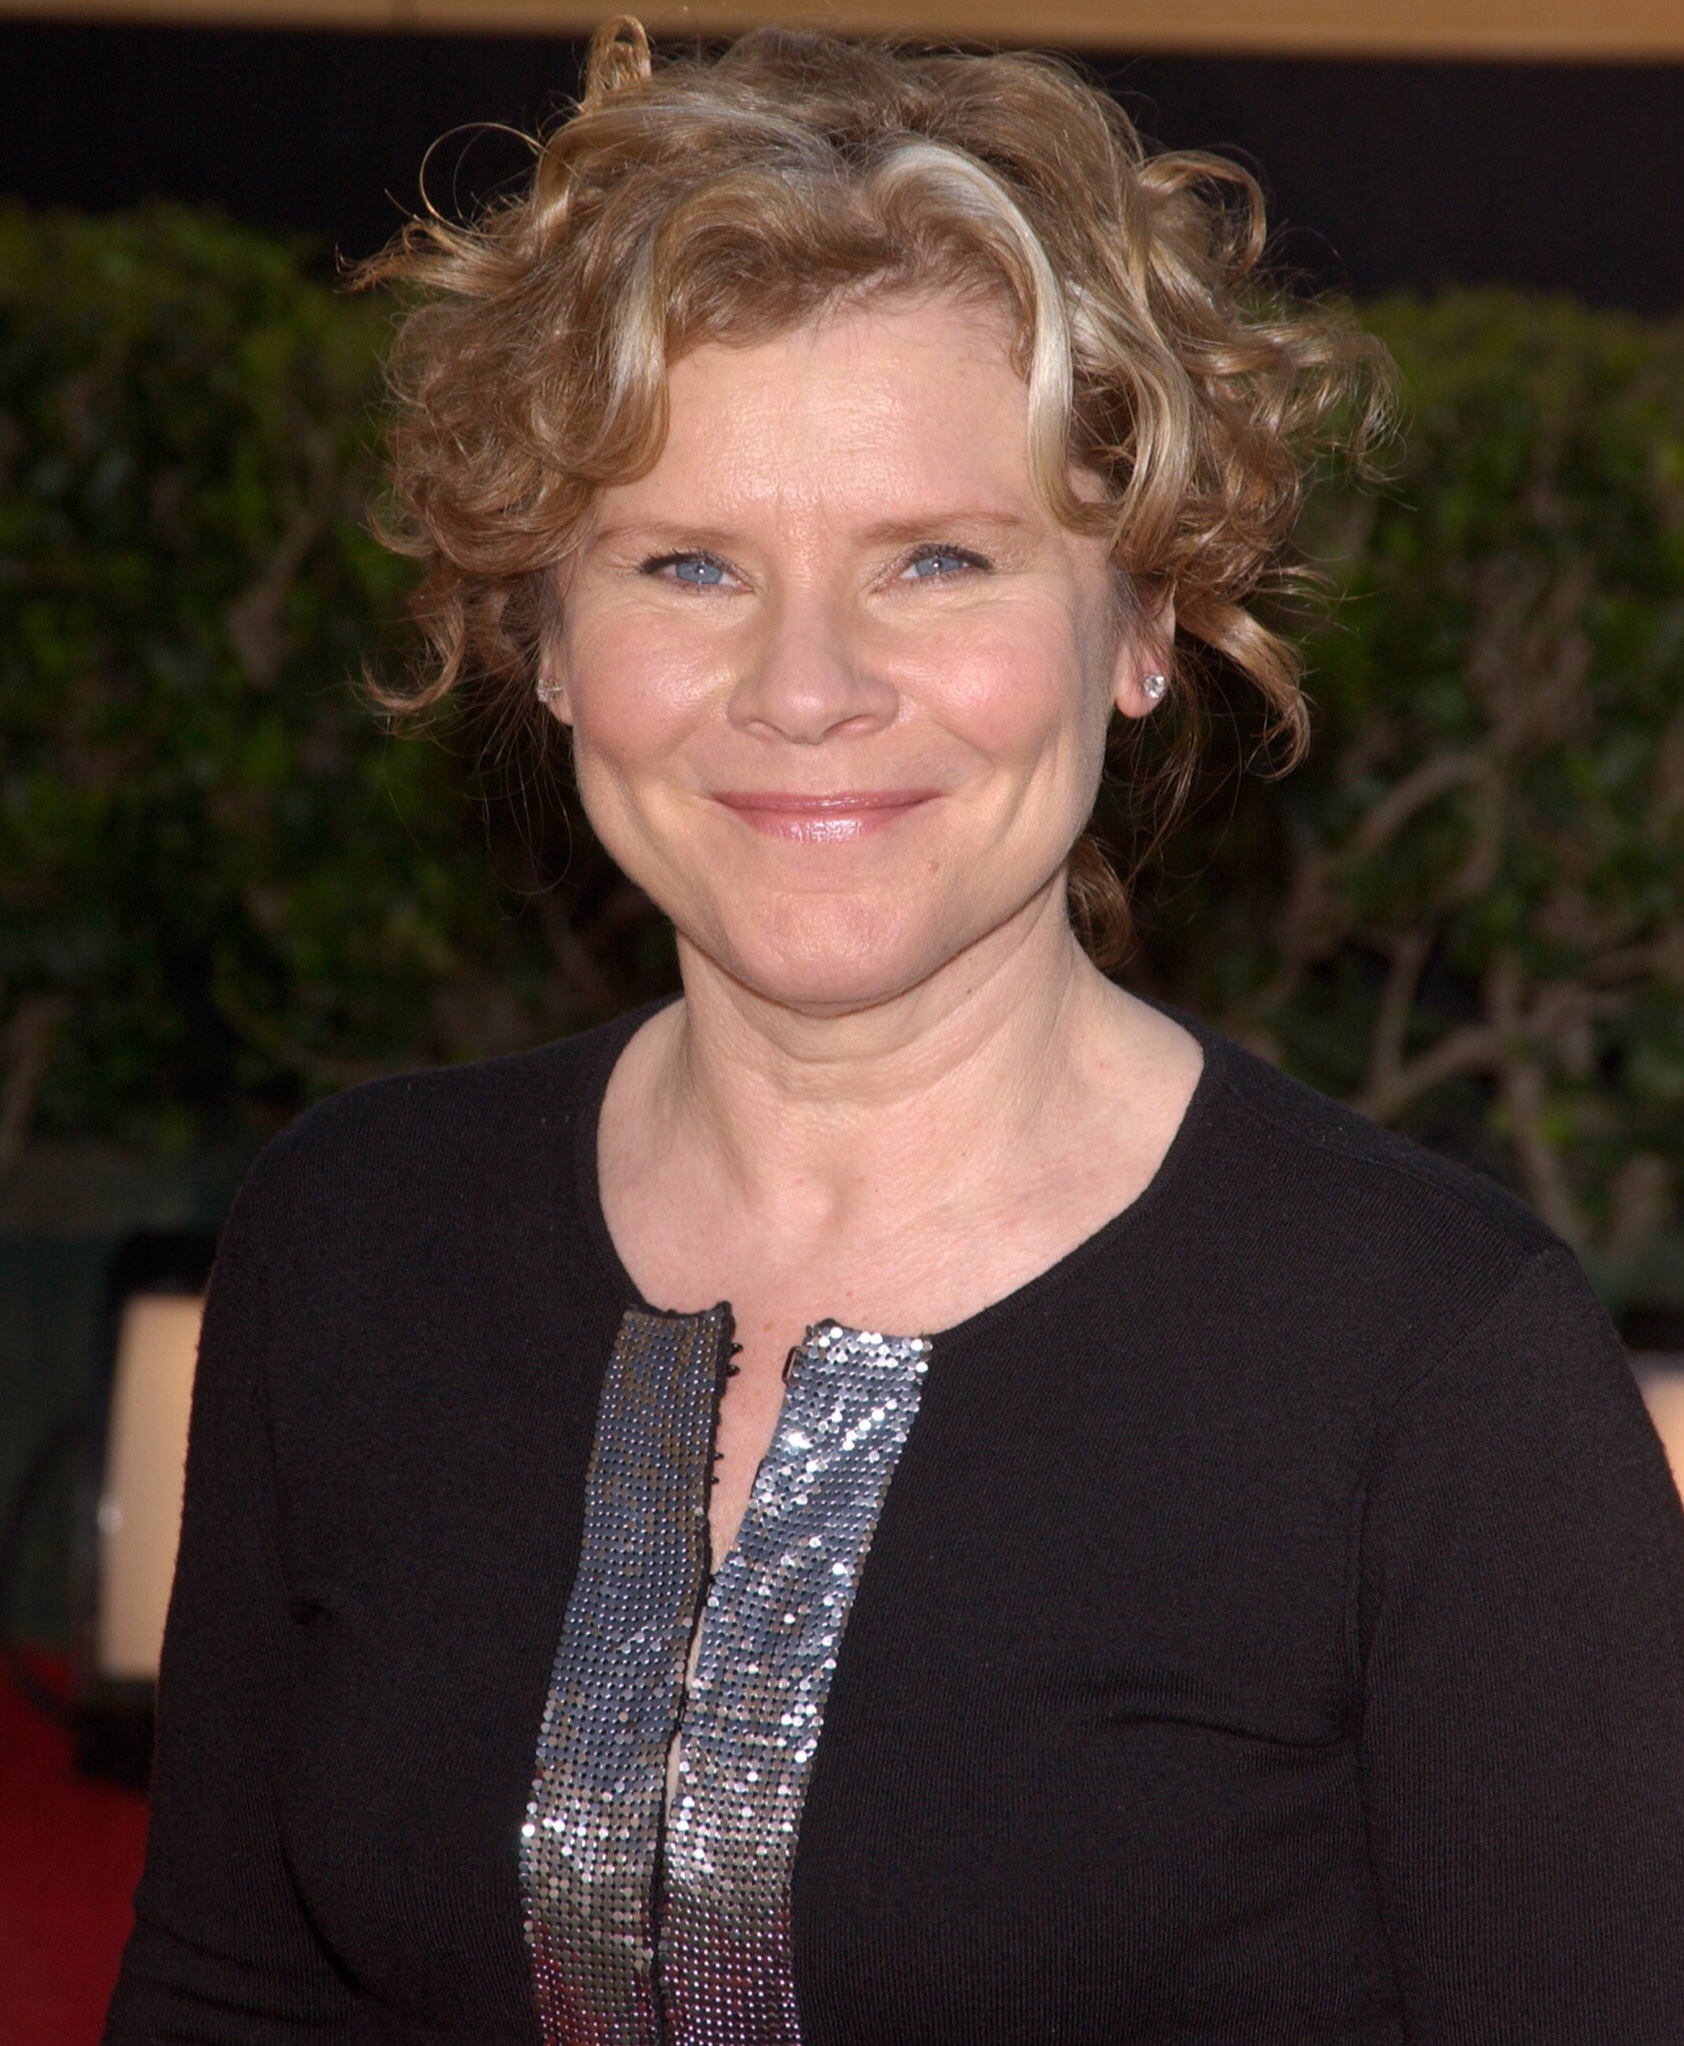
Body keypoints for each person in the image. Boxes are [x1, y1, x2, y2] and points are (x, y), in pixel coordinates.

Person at [105, 21, 1684, 2046]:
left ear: (1143, 623)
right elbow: (229, 1994)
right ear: (545, 636)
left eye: (935, 559)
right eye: (688, 564)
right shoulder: (350, 1242)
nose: (807, 686)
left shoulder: (1433, 1366)